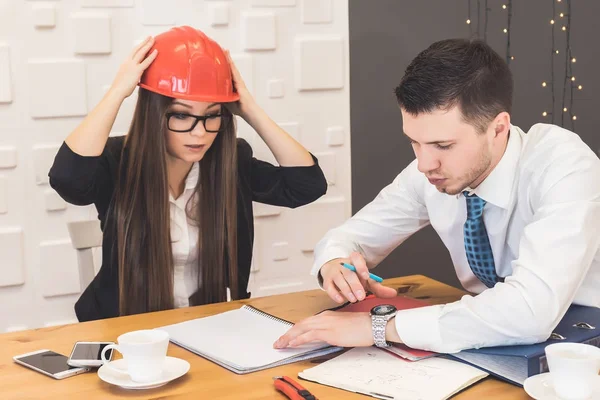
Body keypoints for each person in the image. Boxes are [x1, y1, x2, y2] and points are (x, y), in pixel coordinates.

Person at [274, 38, 600, 353]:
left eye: (443, 145)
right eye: (414, 142)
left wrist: (377, 328)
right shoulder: (431, 171)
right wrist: (335, 262)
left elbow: (530, 311)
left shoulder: (564, 165)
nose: (424, 163)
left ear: (498, 128)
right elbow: (349, 239)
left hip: (585, 339)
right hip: (491, 336)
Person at [49, 26, 327, 322]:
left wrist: (250, 110)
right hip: (128, 331)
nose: (199, 133)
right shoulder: (117, 162)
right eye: (181, 115)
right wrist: (118, 91)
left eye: (211, 115)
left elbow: (306, 186)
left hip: (209, 325)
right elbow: (68, 181)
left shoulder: (230, 162)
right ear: (154, 113)